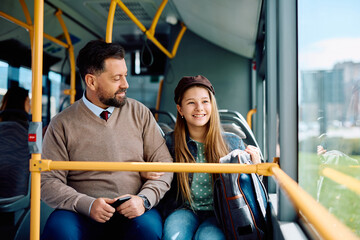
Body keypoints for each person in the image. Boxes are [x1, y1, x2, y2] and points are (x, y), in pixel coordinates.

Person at [40, 40, 173, 240]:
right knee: (59, 231)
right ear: (91, 81)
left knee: (147, 231)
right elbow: (48, 182)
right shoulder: (62, 123)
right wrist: (87, 204)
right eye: (117, 78)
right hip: (81, 212)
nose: (126, 85)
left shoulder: (140, 113)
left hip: (133, 207)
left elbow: (165, 165)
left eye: (125, 76)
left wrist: (144, 200)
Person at [143, 75, 261, 240]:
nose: (199, 108)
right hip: (182, 209)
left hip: (219, 213)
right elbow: (152, 174)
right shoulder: (169, 143)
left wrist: (256, 170)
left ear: (212, 105)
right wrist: (145, 173)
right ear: (180, 109)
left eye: (205, 101)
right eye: (191, 102)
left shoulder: (233, 143)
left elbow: (246, 187)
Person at [0, 86, 31, 198]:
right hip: (21, 197)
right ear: (22, 103)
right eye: (28, 102)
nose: (30, 106)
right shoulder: (30, 134)